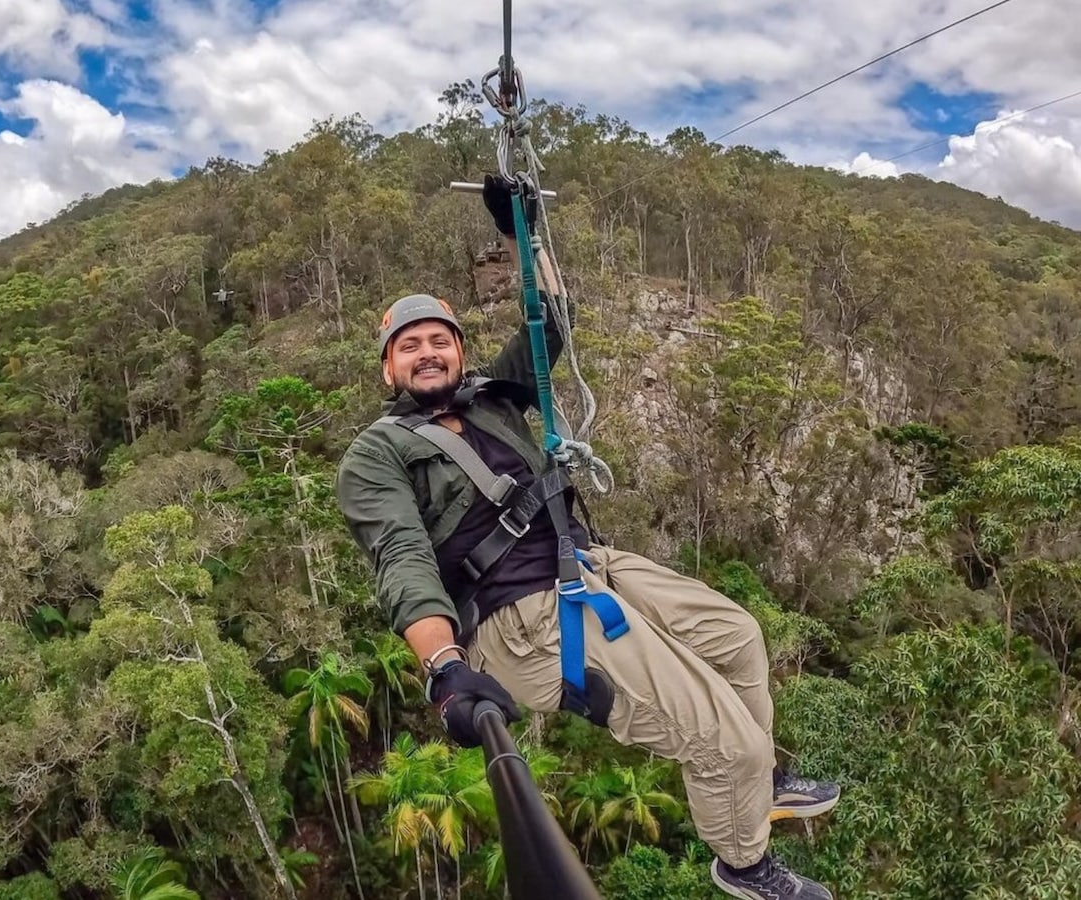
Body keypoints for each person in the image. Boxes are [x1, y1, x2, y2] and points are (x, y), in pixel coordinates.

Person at [335, 175, 840, 900]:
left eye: (439, 340)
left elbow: (553, 321)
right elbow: (401, 557)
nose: (427, 353)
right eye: (408, 345)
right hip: (524, 618)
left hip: (585, 563)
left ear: (459, 351)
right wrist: (446, 668)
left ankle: (755, 786)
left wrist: (523, 233)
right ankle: (743, 861)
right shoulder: (378, 454)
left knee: (739, 637)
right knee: (729, 740)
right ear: (388, 367)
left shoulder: (491, 396)